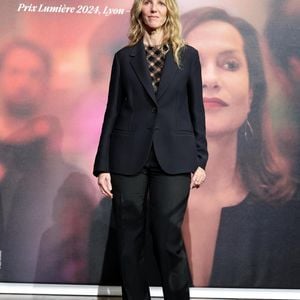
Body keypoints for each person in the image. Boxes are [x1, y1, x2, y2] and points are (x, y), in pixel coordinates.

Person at [93, 0, 208, 299]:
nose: (154, 9)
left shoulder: (188, 56)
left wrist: (201, 159)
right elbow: (113, 110)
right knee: (129, 240)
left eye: (161, 3)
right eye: (147, 2)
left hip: (175, 155)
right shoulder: (124, 57)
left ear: (169, 10)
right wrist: (103, 164)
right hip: (127, 155)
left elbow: (197, 110)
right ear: (139, 10)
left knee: (169, 237)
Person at [180, 7, 300, 288]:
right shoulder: (117, 213)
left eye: (230, 64)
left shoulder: (291, 215)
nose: (210, 79)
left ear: (251, 95)